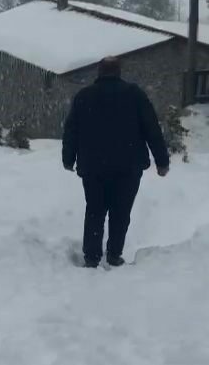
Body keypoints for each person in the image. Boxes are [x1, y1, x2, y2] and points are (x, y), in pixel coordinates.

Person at [62, 56, 169, 268]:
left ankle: (91, 256)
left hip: (93, 166)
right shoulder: (135, 95)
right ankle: (113, 254)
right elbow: (152, 128)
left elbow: (71, 131)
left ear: (99, 72)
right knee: (121, 211)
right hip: (128, 166)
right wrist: (162, 161)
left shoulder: (84, 96)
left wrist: (68, 158)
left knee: (95, 210)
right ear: (119, 72)